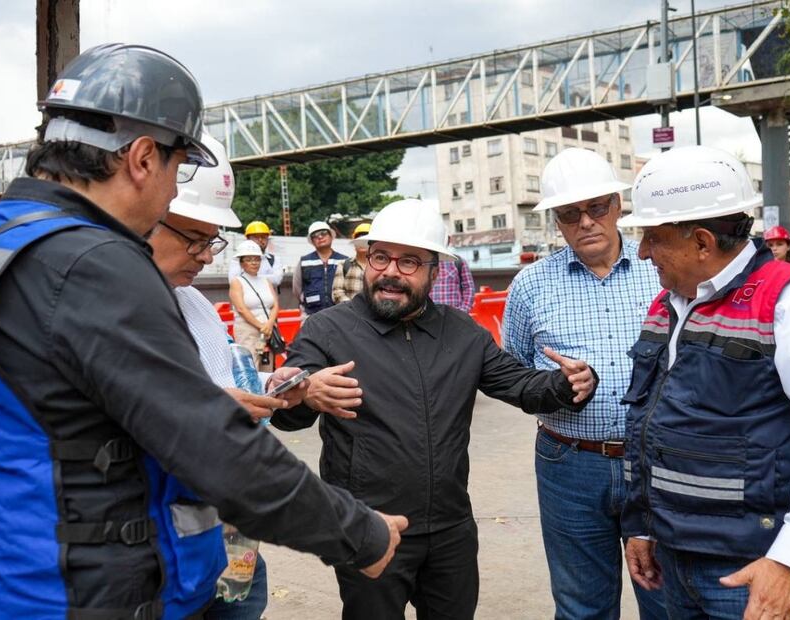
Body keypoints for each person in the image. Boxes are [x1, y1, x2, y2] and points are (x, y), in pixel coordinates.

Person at [0, 43, 405, 619]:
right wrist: (359, 535)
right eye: (177, 168)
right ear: (144, 157)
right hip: (82, 597)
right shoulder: (91, 261)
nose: (173, 190)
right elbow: (216, 448)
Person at [271, 198, 599, 620]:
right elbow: (287, 409)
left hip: (450, 530)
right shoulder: (327, 329)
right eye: (380, 257)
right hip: (367, 527)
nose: (390, 270)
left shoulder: (462, 333)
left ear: (434, 271)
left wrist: (570, 382)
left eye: (409, 261)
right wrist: (303, 392)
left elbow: (521, 385)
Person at [618, 145, 790, 620]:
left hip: (751, 569)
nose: (644, 251)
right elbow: (646, 425)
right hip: (672, 558)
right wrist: (642, 525)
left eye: (653, 236)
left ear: (703, 242)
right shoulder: (667, 305)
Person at [501, 148, 664, 620]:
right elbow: (514, 376)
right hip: (568, 463)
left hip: (656, 460)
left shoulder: (662, 269)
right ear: (556, 221)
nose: (586, 222)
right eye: (571, 214)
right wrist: (554, 384)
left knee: (667, 600)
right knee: (580, 608)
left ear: (617, 205)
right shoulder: (530, 286)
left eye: (596, 208)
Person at [148, 133, 302, 620]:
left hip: (229, 532)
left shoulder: (194, 305)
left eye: (213, 240)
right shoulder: (115, 312)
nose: (207, 254)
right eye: (195, 238)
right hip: (167, 549)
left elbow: (238, 392)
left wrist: (278, 392)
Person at [230, 240, 279, 371]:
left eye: (257, 259)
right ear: (241, 262)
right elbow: (241, 308)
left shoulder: (265, 280)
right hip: (248, 330)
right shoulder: (237, 282)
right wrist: (261, 326)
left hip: (267, 331)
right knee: (251, 367)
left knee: (267, 367)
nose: (254, 262)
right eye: (249, 259)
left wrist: (269, 324)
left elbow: (275, 305)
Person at [292, 220, 347, 315]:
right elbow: (296, 289)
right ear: (312, 241)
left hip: (339, 313)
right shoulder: (304, 261)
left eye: (323, 233)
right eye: (315, 235)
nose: (320, 237)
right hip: (311, 314)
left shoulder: (343, 260)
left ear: (331, 236)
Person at [228, 220, 283, 287]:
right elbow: (233, 281)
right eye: (256, 237)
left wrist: (248, 277)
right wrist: (266, 278)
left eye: (263, 237)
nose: (260, 240)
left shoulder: (274, 259)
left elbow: (276, 280)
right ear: (248, 239)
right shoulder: (238, 258)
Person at [333, 222, 370, 303]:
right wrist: (353, 308)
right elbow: (337, 293)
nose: (362, 242)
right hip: (349, 313)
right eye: (359, 238)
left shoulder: (380, 267)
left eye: (366, 238)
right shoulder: (344, 265)